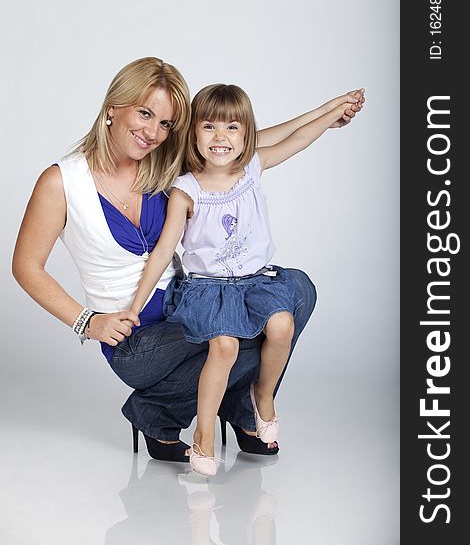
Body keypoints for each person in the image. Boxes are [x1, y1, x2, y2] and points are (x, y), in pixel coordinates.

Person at [11, 56, 363, 464]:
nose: (152, 133)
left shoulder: (162, 164)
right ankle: (161, 412)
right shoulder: (62, 182)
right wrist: (87, 321)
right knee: (240, 332)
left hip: (187, 303)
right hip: (136, 338)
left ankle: (233, 407)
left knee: (293, 293)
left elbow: (244, 145)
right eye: (145, 114)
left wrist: (325, 113)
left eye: (165, 124)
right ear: (112, 107)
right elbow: (26, 267)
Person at [128, 83, 365, 475]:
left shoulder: (253, 167)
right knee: (224, 347)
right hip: (209, 289)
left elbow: (301, 136)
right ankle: (203, 434)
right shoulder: (186, 190)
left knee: (282, 324)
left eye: (232, 129)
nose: (220, 138)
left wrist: (331, 110)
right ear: (194, 134)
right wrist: (135, 307)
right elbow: (163, 252)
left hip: (256, 282)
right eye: (209, 128)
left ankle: (262, 396)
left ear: (246, 135)